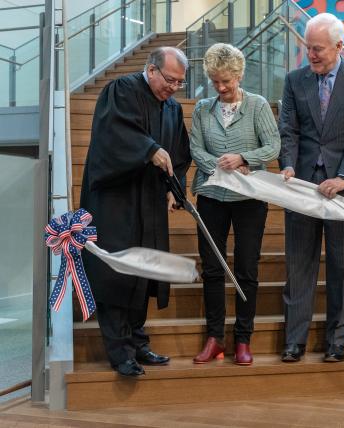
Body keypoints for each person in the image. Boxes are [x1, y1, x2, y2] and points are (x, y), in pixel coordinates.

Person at [80, 47, 192, 377]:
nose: (173, 87)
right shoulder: (121, 90)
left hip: (151, 202)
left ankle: (138, 341)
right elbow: (112, 137)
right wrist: (149, 150)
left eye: (180, 83)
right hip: (117, 201)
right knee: (118, 271)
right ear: (151, 69)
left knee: (145, 270)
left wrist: (175, 192)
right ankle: (119, 351)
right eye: (169, 79)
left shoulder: (172, 108)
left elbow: (180, 154)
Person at [278, 13, 344, 363]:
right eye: (307, 48)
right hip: (301, 188)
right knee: (299, 267)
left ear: (339, 46)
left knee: (342, 267)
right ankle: (294, 341)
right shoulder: (294, 81)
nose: (311, 55)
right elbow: (288, 130)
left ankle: (337, 342)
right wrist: (287, 163)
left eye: (318, 49)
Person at [189, 43, 280, 366]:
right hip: (211, 196)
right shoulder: (202, 108)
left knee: (246, 268)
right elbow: (195, 149)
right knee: (213, 269)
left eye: (226, 81)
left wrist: (244, 158)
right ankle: (215, 338)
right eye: (215, 81)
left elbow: (273, 145)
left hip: (249, 200)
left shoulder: (257, 106)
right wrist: (220, 165)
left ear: (239, 75)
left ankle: (243, 338)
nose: (221, 87)